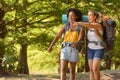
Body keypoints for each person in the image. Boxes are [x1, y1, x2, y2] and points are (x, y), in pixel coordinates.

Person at [47, 8, 84, 80]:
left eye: (72, 16)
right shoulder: (65, 25)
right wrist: (50, 46)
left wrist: (76, 43)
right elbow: (58, 36)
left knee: (72, 71)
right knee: (63, 69)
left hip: (74, 48)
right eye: (69, 16)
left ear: (76, 17)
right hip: (65, 48)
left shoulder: (80, 26)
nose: (70, 17)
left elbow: (80, 37)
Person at [75, 10, 105, 80]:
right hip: (90, 49)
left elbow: (90, 25)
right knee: (91, 69)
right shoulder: (87, 26)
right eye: (88, 15)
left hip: (99, 49)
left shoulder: (98, 25)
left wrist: (79, 23)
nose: (88, 17)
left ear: (94, 17)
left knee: (95, 68)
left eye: (90, 15)